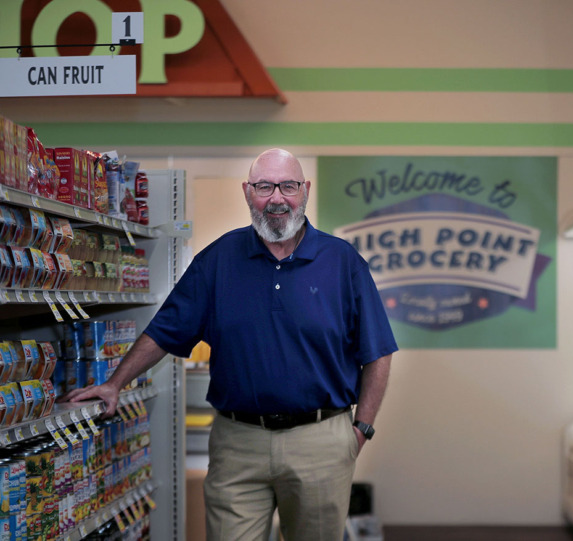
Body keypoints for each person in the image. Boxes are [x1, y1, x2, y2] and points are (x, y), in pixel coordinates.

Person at [63, 148, 398, 541]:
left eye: (288, 186)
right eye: (264, 186)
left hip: (320, 441)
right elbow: (164, 331)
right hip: (237, 443)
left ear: (304, 190)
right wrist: (115, 383)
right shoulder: (218, 260)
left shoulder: (342, 262)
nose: (276, 198)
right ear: (247, 192)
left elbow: (377, 353)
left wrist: (361, 429)